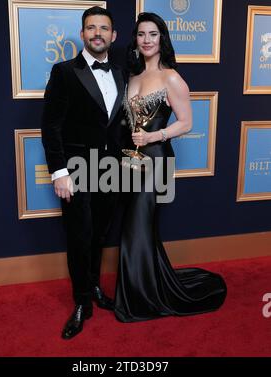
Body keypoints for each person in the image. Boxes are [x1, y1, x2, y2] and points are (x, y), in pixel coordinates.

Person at [114, 12, 227, 322]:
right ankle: (150, 288)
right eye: (141, 34)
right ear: (135, 40)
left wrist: (154, 135)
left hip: (156, 160)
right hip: (129, 161)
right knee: (140, 229)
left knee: (136, 229)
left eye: (153, 34)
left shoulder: (172, 77)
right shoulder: (132, 76)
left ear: (162, 38)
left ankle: (140, 299)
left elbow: (188, 122)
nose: (147, 40)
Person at [41, 6, 126, 339]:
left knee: (101, 234)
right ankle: (80, 303)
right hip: (75, 170)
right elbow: (51, 125)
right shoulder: (63, 72)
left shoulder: (120, 73)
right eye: (91, 28)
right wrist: (59, 172)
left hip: (112, 171)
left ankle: (93, 288)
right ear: (83, 34)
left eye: (103, 28)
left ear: (113, 35)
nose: (97, 34)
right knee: (79, 236)